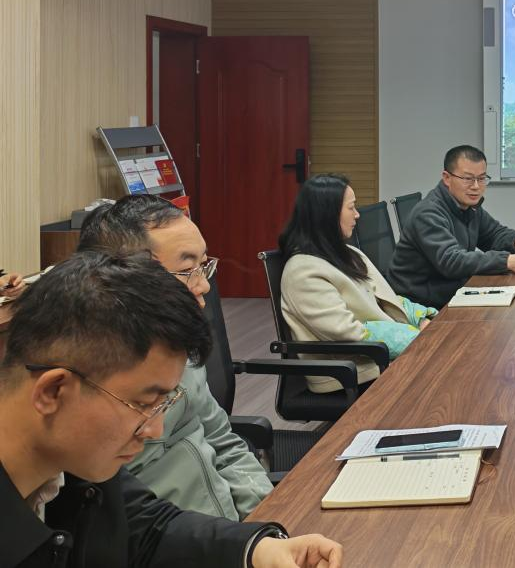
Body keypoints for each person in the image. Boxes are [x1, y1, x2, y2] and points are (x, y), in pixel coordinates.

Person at [1, 251, 342, 568]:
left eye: (163, 403)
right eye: (143, 404)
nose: (155, 429)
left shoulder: (78, 460)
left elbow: (148, 528)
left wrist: (256, 549)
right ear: (53, 392)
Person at [76, 195, 272, 520]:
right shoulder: (94, 382)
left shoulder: (180, 348)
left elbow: (223, 442)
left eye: (204, 265)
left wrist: (267, 517)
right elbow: (132, 523)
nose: (204, 285)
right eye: (186, 270)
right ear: (122, 276)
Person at [278, 174, 437, 394]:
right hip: (351, 375)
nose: (357, 214)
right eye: (351, 208)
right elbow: (347, 333)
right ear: (328, 214)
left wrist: (421, 319)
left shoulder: (348, 253)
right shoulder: (303, 271)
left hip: (379, 361)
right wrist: (416, 338)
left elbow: (387, 300)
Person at [390, 145, 515, 309]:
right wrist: (506, 261)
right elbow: (451, 261)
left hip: (450, 292)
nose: (476, 186)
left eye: (481, 178)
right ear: (447, 178)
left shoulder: (468, 206)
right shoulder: (428, 213)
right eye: (468, 179)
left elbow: (493, 234)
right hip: (418, 305)